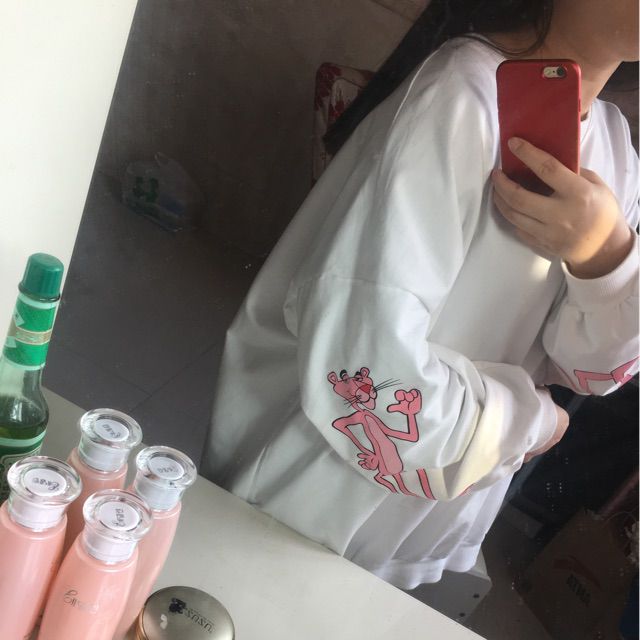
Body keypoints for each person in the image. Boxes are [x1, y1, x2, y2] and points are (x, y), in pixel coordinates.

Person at [202, 0, 639, 589]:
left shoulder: (617, 149)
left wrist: (606, 257)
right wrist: (531, 422)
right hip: (312, 491)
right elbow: (368, 370)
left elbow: (594, 369)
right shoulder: (461, 95)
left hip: (424, 510)